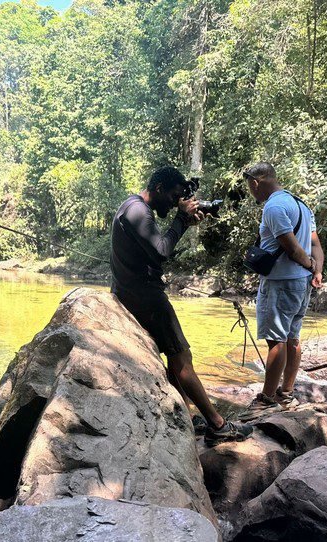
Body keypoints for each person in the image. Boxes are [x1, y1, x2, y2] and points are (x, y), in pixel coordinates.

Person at [110, 165, 253, 446]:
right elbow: (162, 251)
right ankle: (218, 425)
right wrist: (181, 218)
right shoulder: (138, 211)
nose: (176, 202)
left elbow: (156, 247)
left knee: (176, 357)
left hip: (135, 293)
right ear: (159, 188)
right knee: (182, 359)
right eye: (174, 196)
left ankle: (185, 417)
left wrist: (184, 223)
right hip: (146, 297)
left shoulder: (132, 207)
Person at [239, 162, 325, 421]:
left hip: (280, 282)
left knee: (276, 340)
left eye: (250, 186)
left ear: (256, 182)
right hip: (301, 283)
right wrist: (317, 271)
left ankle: (266, 400)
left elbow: (293, 249)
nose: (251, 191)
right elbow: (315, 245)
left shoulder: (274, 207)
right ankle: (286, 394)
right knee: (292, 338)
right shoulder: (301, 204)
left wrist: (309, 265)